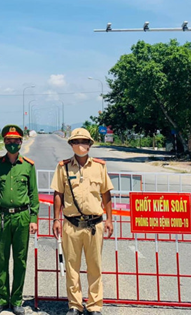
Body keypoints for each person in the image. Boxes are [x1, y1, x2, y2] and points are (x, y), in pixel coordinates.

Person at [51, 128, 114, 315]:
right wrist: (56, 219)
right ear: (71, 144)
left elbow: (106, 194)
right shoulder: (63, 167)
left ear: (90, 145)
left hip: (95, 224)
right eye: (77, 141)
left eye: (84, 141)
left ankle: (94, 305)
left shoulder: (99, 167)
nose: (81, 145)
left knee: (95, 266)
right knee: (72, 267)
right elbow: (58, 194)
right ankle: (75, 305)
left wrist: (110, 219)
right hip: (71, 224)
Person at [0, 125, 39, 315]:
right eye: (8, 140)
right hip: (1, 217)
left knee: (20, 260)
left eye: (15, 140)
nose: (12, 143)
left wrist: (33, 218)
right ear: (4, 142)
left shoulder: (28, 166)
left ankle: (16, 300)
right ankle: (1, 299)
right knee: (2, 259)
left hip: (22, 217)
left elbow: (33, 194)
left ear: (21, 142)